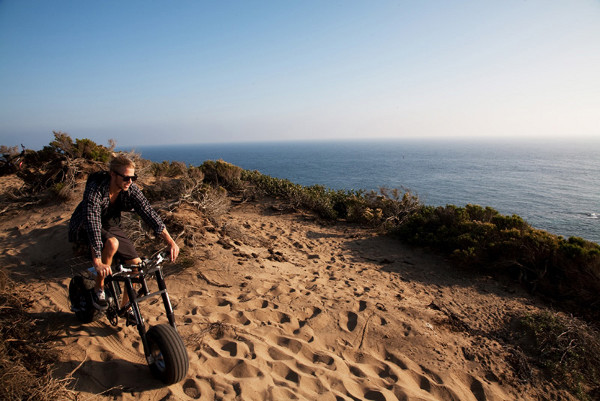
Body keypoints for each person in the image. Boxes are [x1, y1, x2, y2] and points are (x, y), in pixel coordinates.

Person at [69, 155, 180, 313]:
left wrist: (170, 242)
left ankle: (126, 307)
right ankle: (98, 289)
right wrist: (98, 262)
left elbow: (148, 212)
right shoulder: (96, 188)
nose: (130, 181)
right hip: (83, 224)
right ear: (112, 174)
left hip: (108, 224)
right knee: (112, 243)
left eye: (133, 177)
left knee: (136, 265)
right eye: (126, 177)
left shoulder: (130, 189)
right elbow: (92, 223)